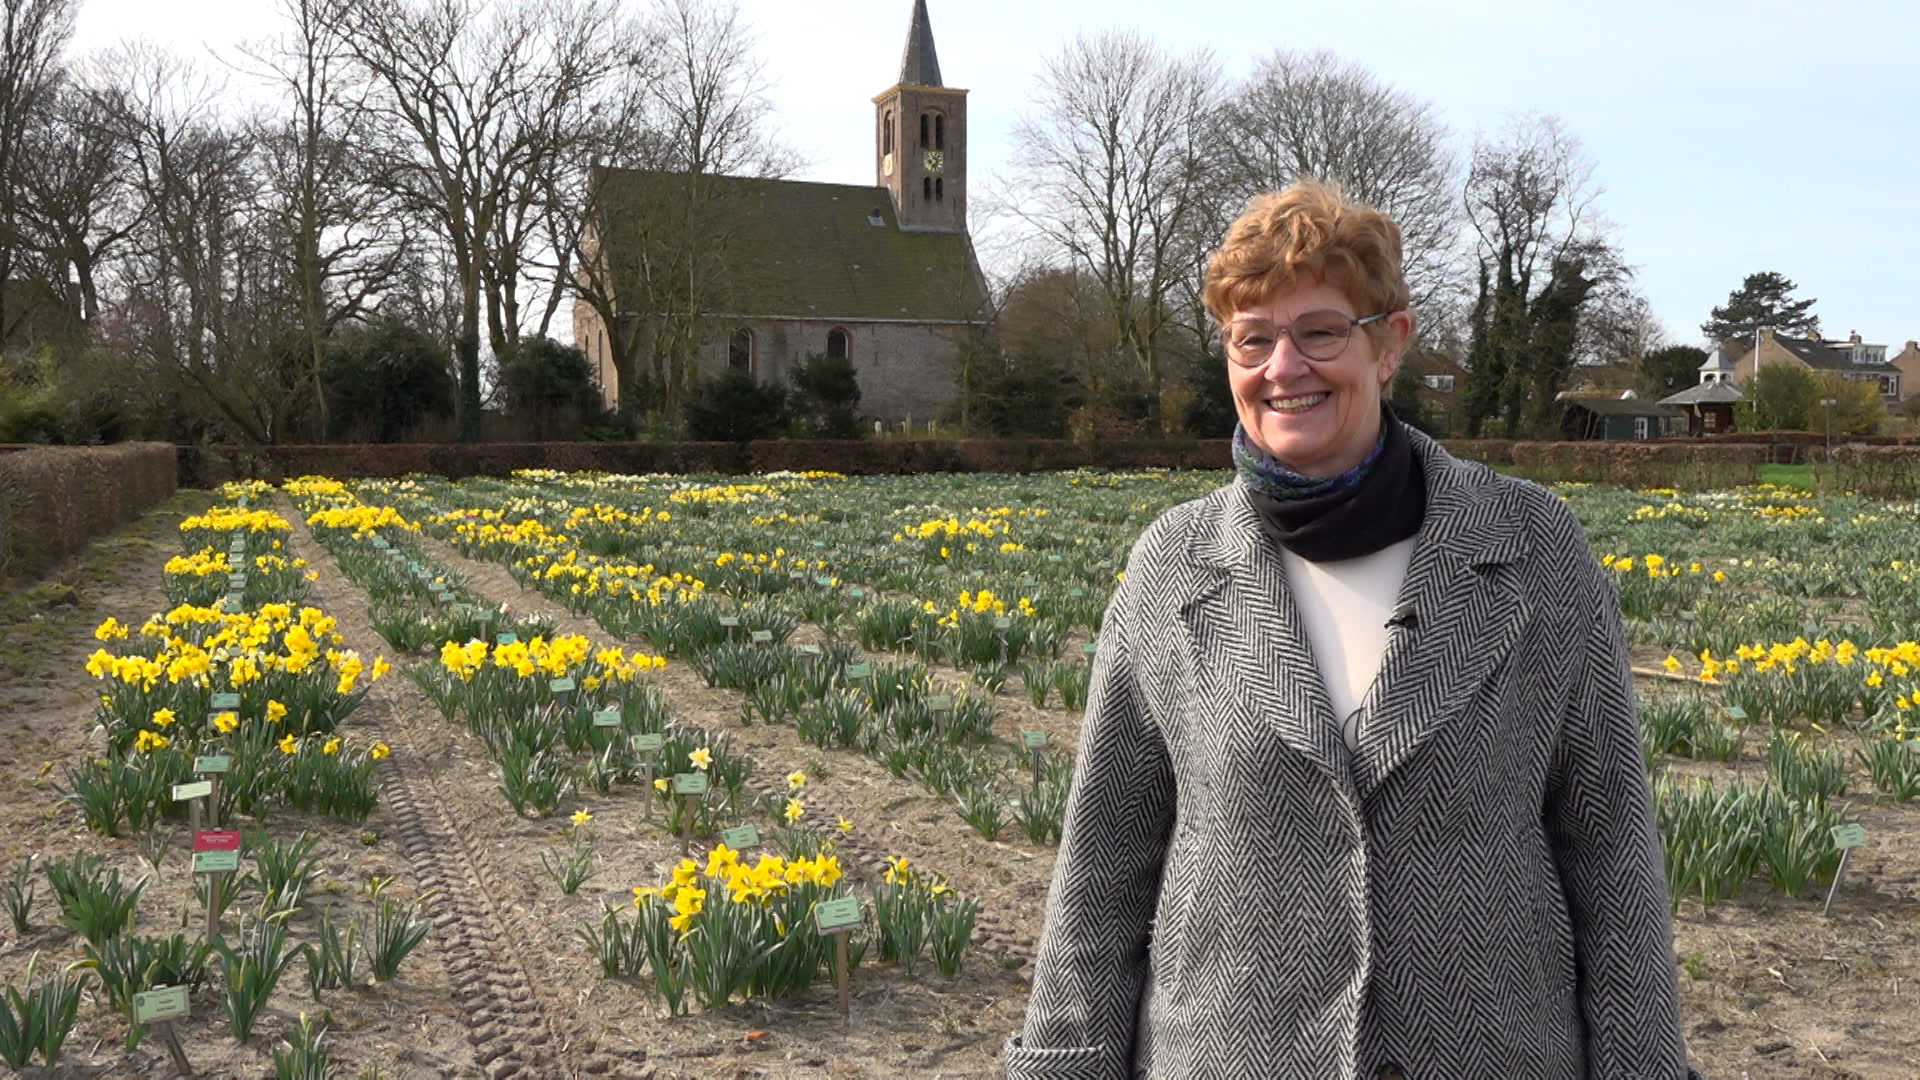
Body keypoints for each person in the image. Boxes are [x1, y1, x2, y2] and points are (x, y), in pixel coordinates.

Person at [1003, 182, 1702, 1079]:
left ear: (1388, 343)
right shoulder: (1174, 564)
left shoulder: (1531, 548)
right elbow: (1104, 864)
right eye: (1253, 339)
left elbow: (1610, 851)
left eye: (1320, 332)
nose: (1283, 367)